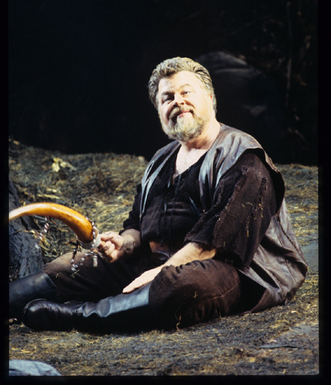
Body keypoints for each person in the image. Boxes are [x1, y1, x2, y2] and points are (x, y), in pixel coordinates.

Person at [9, 57, 307, 333]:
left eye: (186, 92)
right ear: (160, 112)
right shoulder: (161, 160)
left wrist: (161, 273)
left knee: (178, 287)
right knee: (66, 269)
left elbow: (213, 244)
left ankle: (77, 315)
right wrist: (123, 244)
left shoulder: (243, 157)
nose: (178, 102)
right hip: (159, 261)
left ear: (211, 99)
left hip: (235, 271)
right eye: (167, 98)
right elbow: (139, 225)